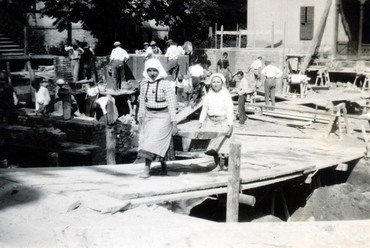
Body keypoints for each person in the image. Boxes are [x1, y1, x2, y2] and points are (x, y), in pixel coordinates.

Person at [136, 58, 178, 178]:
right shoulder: (144, 84)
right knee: (147, 141)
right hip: (149, 116)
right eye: (150, 70)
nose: (152, 73)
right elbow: (142, 103)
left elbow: (171, 104)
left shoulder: (165, 84)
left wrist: (174, 122)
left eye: (155, 70)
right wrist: (140, 117)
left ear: (159, 70)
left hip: (163, 116)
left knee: (153, 142)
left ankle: (146, 170)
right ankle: (163, 166)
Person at [198, 73, 234, 172]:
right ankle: (218, 165)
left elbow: (229, 110)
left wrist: (230, 124)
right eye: (213, 82)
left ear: (222, 83)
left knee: (224, 144)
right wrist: (201, 122)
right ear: (211, 83)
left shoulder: (225, 95)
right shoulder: (208, 95)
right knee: (213, 145)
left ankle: (227, 165)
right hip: (211, 121)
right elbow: (204, 109)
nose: (215, 84)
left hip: (223, 121)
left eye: (218, 82)